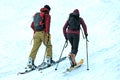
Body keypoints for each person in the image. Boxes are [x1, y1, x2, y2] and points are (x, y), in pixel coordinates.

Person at [26, 5, 54, 69]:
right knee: (48, 45)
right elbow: (47, 25)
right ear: (48, 10)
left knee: (35, 48)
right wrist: (47, 34)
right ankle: (49, 60)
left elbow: (32, 25)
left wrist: (36, 31)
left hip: (36, 33)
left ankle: (30, 62)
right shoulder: (47, 15)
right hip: (43, 33)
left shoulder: (37, 15)